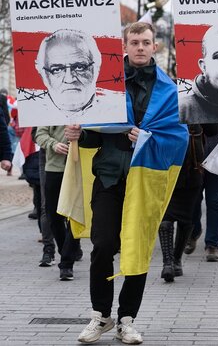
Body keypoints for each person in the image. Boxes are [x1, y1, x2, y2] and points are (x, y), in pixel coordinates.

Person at [66, 22, 188, 345]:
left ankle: (127, 319)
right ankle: (100, 315)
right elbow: (94, 131)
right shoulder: (102, 84)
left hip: (145, 180)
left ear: (155, 47)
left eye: (146, 42)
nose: (140, 47)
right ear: (124, 45)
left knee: (138, 246)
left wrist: (146, 139)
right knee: (103, 244)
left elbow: (179, 138)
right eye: (134, 42)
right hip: (107, 175)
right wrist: (78, 134)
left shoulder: (169, 90)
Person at [30, 29, 124, 123]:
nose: (69, 79)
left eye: (79, 67)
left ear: (97, 67)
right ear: (42, 73)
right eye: (57, 70)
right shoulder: (32, 115)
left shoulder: (116, 112)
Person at [158, 124, 205, 282]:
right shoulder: (161, 101)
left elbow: (212, 129)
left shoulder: (197, 102)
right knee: (165, 217)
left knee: (186, 219)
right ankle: (167, 262)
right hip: (165, 168)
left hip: (191, 170)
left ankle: (176, 259)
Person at [34, 125, 82, 281]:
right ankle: (67, 250)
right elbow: (39, 134)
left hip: (79, 167)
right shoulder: (51, 107)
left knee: (75, 215)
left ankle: (66, 264)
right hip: (54, 168)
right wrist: (53, 144)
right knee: (53, 216)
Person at [184, 129, 218, 262]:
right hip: (193, 152)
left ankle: (212, 244)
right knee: (193, 199)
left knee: (215, 199)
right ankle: (194, 231)